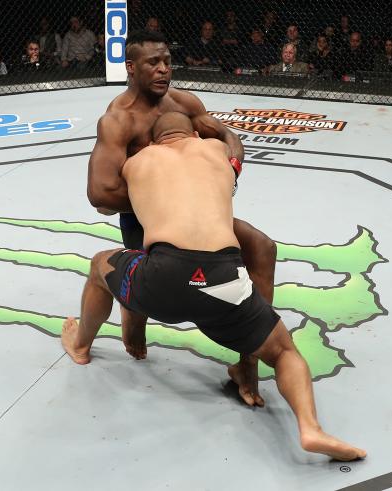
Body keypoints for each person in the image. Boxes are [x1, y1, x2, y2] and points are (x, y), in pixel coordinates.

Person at [62, 111, 367, 462]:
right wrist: (216, 130)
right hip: (225, 277)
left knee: (100, 265)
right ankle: (310, 428)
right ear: (193, 133)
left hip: (164, 277)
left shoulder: (139, 160)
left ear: (151, 141)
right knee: (285, 352)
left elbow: (101, 201)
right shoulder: (218, 153)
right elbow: (233, 143)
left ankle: (81, 345)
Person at [86, 30, 278, 407]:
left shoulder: (184, 103)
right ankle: (132, 322)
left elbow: (227, 135)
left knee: (262, 247)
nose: (163, 70)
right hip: (145, 219)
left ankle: (248, 364)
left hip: (198, 211)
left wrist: (230, 170)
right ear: (130, 67)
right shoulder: (118, 120)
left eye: (167, 62)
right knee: (139, 310)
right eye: (153, 63)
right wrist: (156, 197)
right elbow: (100, 193)